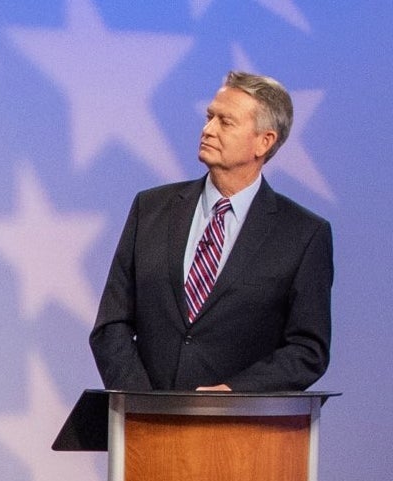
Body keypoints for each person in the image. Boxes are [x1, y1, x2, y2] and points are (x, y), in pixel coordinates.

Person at [89, 71, 332, 392]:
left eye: (225, 122)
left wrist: (235, 393)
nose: (208, 130)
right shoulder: (150, 208)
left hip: (239, 430)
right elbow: (112, 324)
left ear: (265, 141)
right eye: (209, 117)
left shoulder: (303, 234)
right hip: (144, 424)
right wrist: (142, 401)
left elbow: (307, 350)